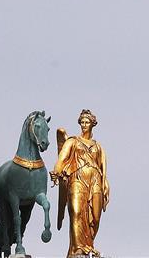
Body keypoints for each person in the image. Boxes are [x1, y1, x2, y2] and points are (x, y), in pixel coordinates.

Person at [50, 109, 110, 258]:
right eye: (82, 122)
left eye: (87, 122)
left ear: (92, 124)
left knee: (95, 217)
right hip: (77, 179)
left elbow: (103, 169)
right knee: (76, 211)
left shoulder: (98, 147)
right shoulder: (72, 141)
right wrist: (56, 172)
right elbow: (62, 159)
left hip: (95, 180)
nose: (84, 125)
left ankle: (89, 246)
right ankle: (78, 248)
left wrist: (105, 184)